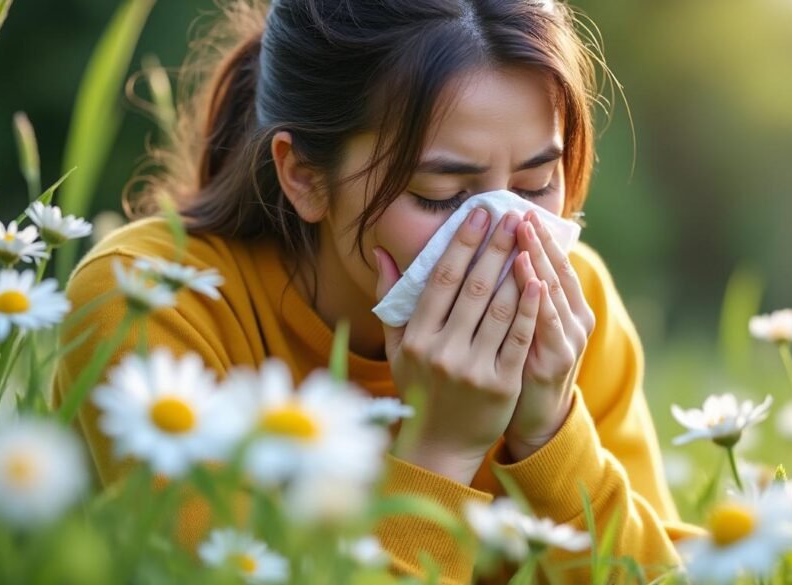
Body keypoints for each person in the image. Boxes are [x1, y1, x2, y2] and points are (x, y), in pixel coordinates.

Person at [52, 0, 703, 582]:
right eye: (441, 195)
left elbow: (662, 575)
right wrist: (441, 448)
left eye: (536, 185)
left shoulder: (568, 304)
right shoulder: (146, 299)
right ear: (304, 176)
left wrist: (549, 433)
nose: (505, 235)